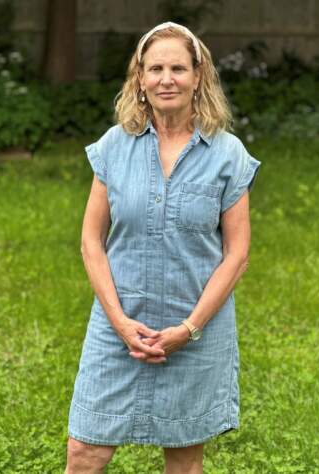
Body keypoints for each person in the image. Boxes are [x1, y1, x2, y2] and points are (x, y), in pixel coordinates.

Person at [65, 21, 261, 474]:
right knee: (84, 451)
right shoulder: (115, 147)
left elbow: (237, 255)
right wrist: (118, 322)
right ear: (140, 79)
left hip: (195, 328)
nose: (166, 78)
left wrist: (187, 330)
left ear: (198, 77)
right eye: (155, 68)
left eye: (177, 68)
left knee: (184, 457)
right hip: (118, 326)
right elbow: (90, 242)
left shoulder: (227, 155)